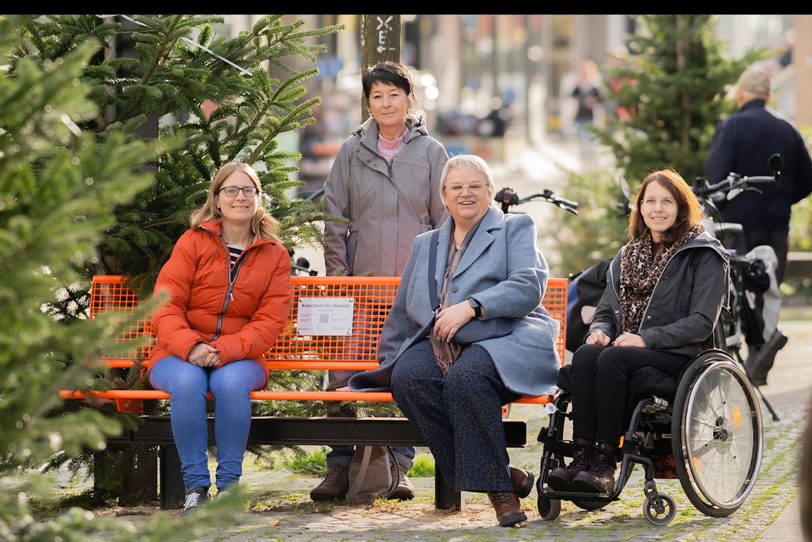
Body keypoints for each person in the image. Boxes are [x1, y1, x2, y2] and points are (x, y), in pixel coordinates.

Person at [348, 154, 561, 527]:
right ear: (443, 196)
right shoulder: (426, 243)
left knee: (467, 378)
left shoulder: (515, 228)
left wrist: (473, 307)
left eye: (475, 186)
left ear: (491, 192)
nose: (466, 193)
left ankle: (502, 495)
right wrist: (391, 358)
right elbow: (401, 311)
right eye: (457, 187)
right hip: (440, 344)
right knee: (409, 378)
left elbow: (528, 286)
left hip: (504, 338)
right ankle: (504, 473)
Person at [313, 61, 449, 502]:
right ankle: (339, 465)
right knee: (343, 371)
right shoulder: (352, 151)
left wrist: (437, 282)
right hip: (359, 285)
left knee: (403, 373)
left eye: (394, 94)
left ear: (409, 99)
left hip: (413, 290)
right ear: (368, 103)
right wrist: (339, 278)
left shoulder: (431, 153)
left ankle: (399, 465)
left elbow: (445, 222)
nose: (386, 103)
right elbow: (334, 217)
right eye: (377, 96)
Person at [547, 169, 729, 495]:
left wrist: (647, 338)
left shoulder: (703, 254)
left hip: (681, 355)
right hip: (626, 350)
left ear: (681, 207)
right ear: (640, 207)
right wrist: (599, 332)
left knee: (613, 359)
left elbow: (702, 322)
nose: (657, 209)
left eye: (666, 202)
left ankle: (605, 461)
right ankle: (581, 456)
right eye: (650, 201)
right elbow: (605, 312)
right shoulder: (628, 255)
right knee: (589, 354)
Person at [147, 161, 291, 514]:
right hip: (177, 352)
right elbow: (164, 304)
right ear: (217, 198)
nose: (239, 197)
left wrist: (223, 349)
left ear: (259, 198)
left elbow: (270, 321)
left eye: (248, 190)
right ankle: (195, 488)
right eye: (231, 190)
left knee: (229, 383)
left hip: (240, 356)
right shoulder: (193, 242)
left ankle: (229, 488)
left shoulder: (275, 255)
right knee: (186, 381)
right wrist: (190, 345)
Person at [704, 65, 812, 286]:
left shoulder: (731, 126)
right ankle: (767, 322)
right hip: (777, 224)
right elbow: (808, 179)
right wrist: (782, 197)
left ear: (740, 94)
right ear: (768, 96)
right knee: (770, 287)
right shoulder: (788, 128)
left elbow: (715, 178)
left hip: (738, 225)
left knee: (738, 290)